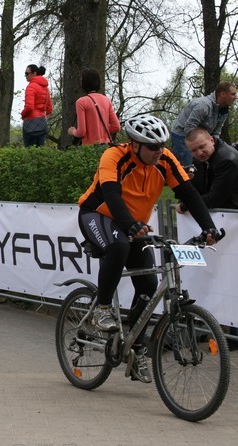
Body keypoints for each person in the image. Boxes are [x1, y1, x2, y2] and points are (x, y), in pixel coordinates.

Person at [78, 115, 219, 384]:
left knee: (147, 286)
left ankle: (136, 346)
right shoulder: (114, 156)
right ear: (134, 145)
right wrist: (130, 225)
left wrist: (208, 228)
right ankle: (102, 308)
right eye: (152, 147)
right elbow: (111, 194)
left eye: (161, 145)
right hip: (98, 214)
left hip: (135, 224)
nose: (159, 152)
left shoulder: (165, 160)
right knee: (118, 245)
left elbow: (188, 193)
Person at [171, 82, 237, 166]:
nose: (235, 97)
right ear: (223, 94)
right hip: (182, 136)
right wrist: (200, 146)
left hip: (200, 138)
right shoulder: (204, 105)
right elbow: (189, 127)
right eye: (233, 94)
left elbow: (216, 132)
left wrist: (217, 148)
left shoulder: (224, 111)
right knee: (188, 167)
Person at [175, 128, 238, 212]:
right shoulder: (203, 157)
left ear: (212, 140)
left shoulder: (227, 160)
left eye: (202, 147)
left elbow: (215, 199)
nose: (200, 153)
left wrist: (185, 206)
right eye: (194, 150)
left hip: (230, 215)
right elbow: (197, 187)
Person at [67, 68, 121, 146]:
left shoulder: (81, 102)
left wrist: (73, 131)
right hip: (106, 146)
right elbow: (116, 127)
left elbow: (81, 132)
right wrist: (101, 130)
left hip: (89, 148)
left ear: (83, 83)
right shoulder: (106, 100)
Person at [21, 64, 53, 147]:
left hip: (30, 124)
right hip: (42, 123)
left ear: (34, 73)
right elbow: (49, 109)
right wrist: (42, 115)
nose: (25, 76)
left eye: (27, 73)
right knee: (39, 153)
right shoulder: (46, 88)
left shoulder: (31, 87)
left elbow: (29, 107)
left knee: (30, 153)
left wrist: (22, 114)